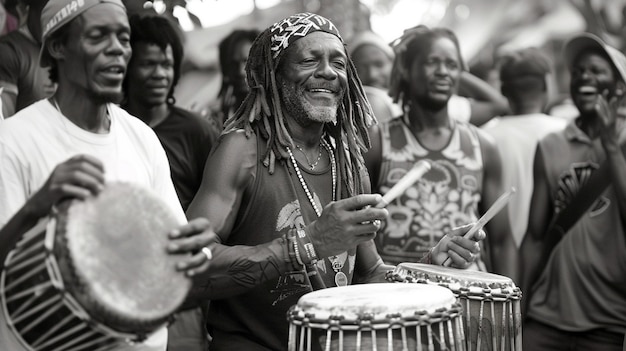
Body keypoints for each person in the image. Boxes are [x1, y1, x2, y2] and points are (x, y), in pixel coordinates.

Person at [186, 12, 485, 351]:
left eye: (339, 63)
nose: (328, 72)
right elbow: (191, 268)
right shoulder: (241, 150)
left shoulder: (349, 163)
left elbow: (368, 274)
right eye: (310, 60)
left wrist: (429, 264)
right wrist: (308, 243)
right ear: (276, 73)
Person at [0, 0, 216, 350]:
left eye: (124, 38)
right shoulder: (14, 140)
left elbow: (173, 248)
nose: (117, 49)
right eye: (98, 36)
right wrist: (36, 208)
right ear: (57, 47)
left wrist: (193, 252)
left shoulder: (141, 137)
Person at [364, 25, 517, 281]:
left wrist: (512, 305)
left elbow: (502, 241)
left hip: (468, 299)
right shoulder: (378, 141)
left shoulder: (482, 146)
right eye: (431, 62)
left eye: (451, 64)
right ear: (406, 69)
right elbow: (360, 237)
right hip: (395, 297)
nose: (443, 72)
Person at [520, 33, 626, 351]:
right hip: (545, 317)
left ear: (620, 87)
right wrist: (519, 307)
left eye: (596, 70)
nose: (584, 77)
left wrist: (610, 145)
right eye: (578, 71)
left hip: (610, 320)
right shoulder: (551, 145)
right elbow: (535, 237)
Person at [121, 13, 218, 351]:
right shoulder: (111, 128)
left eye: (167, 64)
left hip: (182, 296)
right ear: (126, 66)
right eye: (149, 63)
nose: (160, 74)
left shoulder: (195, 131)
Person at [482, 47, 566, 247]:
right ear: (546, 83)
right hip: (550, 258)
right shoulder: (565, 135)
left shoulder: (483, 138)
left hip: (495, 259)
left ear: (503, 90)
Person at [348, 29, 509, 126]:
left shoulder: (427, 100)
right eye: (360, 68)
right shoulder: (368, 102)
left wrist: (448, 65)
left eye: (379, 64)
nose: (372, 74)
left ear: (396, 64)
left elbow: (499, 105)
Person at [0, 0, 56, 117]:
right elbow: (4, 122)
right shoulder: (9, 51)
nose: (52, 21)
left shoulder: (61, 50)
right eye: (46, 12)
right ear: (31, 10)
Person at [208, 28, 260, 131]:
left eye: (246, 61)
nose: (240, 71)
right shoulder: (217, 118)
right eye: (233, 65)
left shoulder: (282, 110)